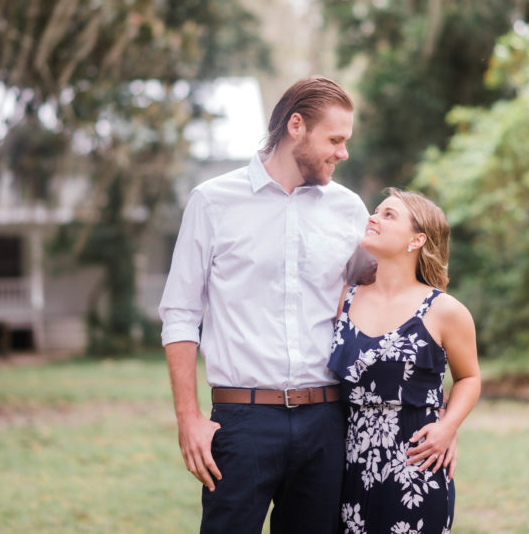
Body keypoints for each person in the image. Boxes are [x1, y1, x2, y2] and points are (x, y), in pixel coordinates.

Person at [158, 76, 375, 534]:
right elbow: (180, 313)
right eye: (335, 140)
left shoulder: (350, 210)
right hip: (243, 420)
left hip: (326, 419)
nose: (343, 153)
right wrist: (189, 418)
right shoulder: (213, 202)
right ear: (296, 126)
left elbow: (377, 297)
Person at [328, 188, 481, 534]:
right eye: (376, 211)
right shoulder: (345, 300)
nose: (373, 218)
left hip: (416, 465)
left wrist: (447, 427)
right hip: (347, 466)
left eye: (388, 215)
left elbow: (469, 377)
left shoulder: (444, 310)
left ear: (417, 240)